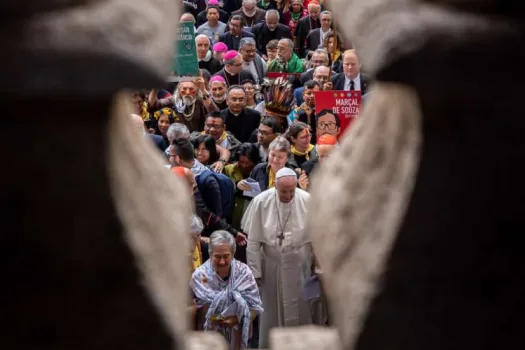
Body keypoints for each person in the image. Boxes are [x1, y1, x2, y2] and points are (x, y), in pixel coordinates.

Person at [242, 167, 313, 348]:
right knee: (272, 313)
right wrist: (255, 272)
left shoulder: (307, 200)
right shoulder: (261, 201)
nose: (288, 196)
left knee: (302, 310)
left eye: (292, 191)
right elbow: (254, 242)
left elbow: (317, 239)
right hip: (272, 268)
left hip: (300, 267)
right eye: (284, 192)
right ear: (275, 186)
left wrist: (315, 267)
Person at [191, 230, 263, 349]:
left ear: (233, 254)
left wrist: (238, 318)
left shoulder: (244, 274)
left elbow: (255, 306)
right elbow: (192, 307)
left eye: (226, 256)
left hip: (238, 336)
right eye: (217, 257)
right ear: (210, 254)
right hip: (208, 339)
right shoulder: (199, 276)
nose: (222, 261)